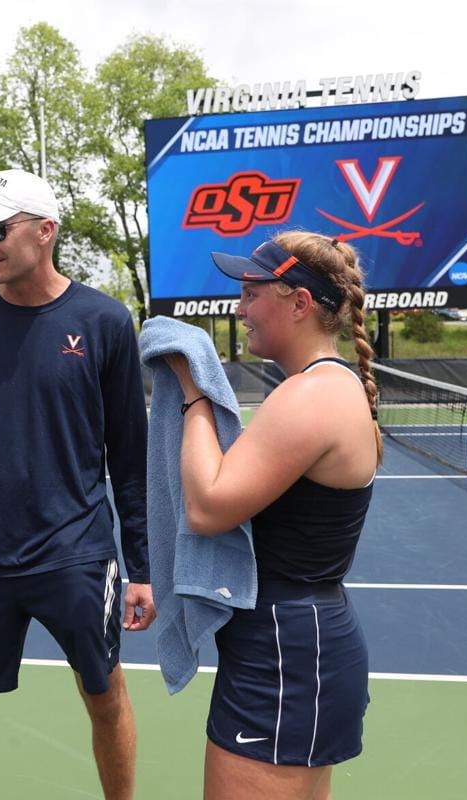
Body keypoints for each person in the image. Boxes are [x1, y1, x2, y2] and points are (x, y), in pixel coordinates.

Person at [0, 169, 155, 800]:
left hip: (75, 554)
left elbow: (129, 455)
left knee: (105, 700)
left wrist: (143, 566)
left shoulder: (104, 320)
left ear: (45, 232)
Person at [162, 232, 380, 800]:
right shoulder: (328, 387)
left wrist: (193, 389)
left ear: (300, 304)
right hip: (296, 647)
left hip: (284, 655)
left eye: (253, 292)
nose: (240, 309)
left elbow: (207, 506)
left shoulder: (311, 395)